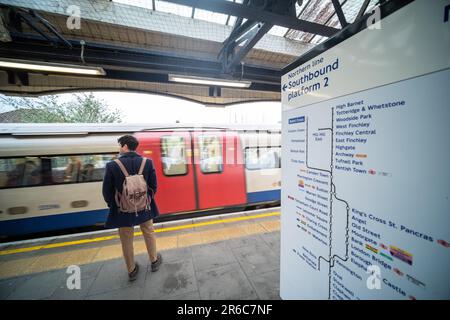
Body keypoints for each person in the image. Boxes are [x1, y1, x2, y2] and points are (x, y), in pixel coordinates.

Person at [102, 135, 162, 281]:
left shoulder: (112, 165)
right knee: (149, 232)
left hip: (123, 210)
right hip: (144, 207)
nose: (119, 148)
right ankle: (154, 261)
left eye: (120, 145)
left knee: (126, 240)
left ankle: (131, 270)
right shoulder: (147, 162)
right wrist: (145, 199)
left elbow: (107, 191)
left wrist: (115, 205)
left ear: (124, 146)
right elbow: (153, 186)